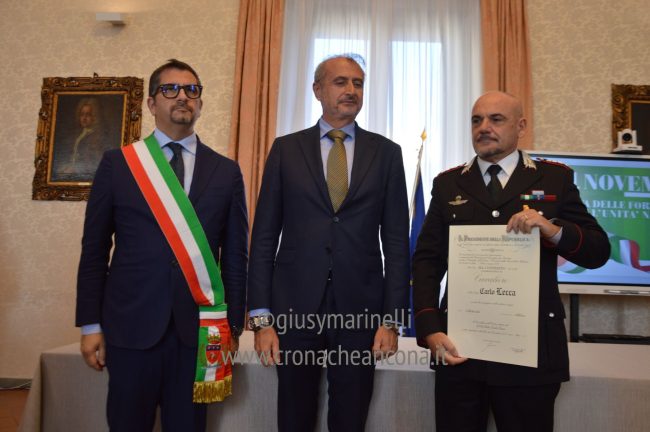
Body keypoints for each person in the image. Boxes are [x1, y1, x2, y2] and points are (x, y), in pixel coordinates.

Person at [412, 91, 611, 432]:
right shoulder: (448, 184)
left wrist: (552, 230)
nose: (483, 127)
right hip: (461, 350)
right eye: (476, 120)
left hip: (529, 352)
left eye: (496, 119)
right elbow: (427, 261)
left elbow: (598, 251)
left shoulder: (554, 178)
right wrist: (430, 328)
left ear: (520, 126)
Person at [75, 59, 248, 431]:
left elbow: (235, 257)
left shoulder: (226, 171)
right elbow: (94, 250)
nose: (182, 96)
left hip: (198, 332)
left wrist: (233, 328)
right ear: (152, 104)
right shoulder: (118, 164)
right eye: (170, 89)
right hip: (130, 327)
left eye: (192, 90)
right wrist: (90, 324)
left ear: (200, 103)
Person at [247, 54, 410, 431]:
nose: (351, 90)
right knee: (294, 415)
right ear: (318, 90)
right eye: (341, 82)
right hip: (294, 306)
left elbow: (397, 243)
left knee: (351, 416)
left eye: (358, 83)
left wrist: (392, 319)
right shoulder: (286, 150)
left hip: (361, 309)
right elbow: (264, 237)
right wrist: (261, 319)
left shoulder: (387, 153)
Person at [52, 97, 113, 181]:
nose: (84, 118)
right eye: (82, 114)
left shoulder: (98, 137)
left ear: (95, 116)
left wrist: (75, 169)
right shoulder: (79, 134)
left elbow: (95, 164)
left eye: (88, 115)